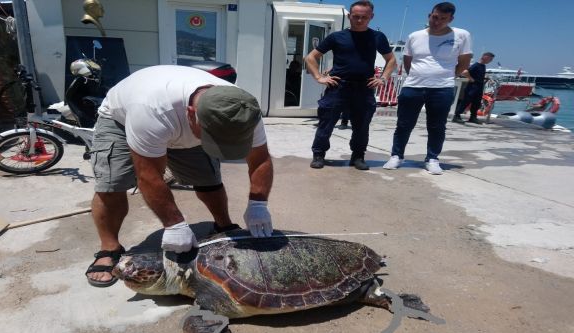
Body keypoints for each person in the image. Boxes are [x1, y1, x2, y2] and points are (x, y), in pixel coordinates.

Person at [85, 65, 274, 287]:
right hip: (121, 119)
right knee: (112, 184)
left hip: (183, 124)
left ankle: (224, 225)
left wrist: (258, 204)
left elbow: (260, 159)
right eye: (214, 140)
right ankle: (109, 247)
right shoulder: (151, 110)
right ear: (192, 115)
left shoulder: (243, 109)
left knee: (208, 178)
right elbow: (148, 174)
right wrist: (174, 224)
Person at [382, 2, 472, 175]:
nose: (437, 22)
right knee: (404, 124)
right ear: (429, 15)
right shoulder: (415, 36)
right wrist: (418, 75)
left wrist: (447, 76)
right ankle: (396, 155)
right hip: (413, 87)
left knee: (437, 126)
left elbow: (464, 61)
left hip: (442, 88)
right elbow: (408, 61)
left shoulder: (462, 35)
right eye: (434, 17)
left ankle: (432, 158)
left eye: (443, 19)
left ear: (451, 19)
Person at [305, 0, 396, 170]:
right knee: (326, 123)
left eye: (364, 17)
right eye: (356, 17)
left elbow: (391, 60)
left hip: (364, 88)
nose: (359, 20)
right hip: (338, 87)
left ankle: (358, 156)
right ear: (349, 16)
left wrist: (382, 78)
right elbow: (310, 58)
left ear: (371, 17)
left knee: (362, 126)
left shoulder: (377, 37)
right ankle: (318, 154)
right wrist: (319, 77)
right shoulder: (336, 37)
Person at [452, 52, 495, 124]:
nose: (490, 61)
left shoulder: (483, 66)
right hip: (472, 87)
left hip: (479, 87)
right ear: (485, 57)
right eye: (490, 59)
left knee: (476, 103)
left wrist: (484, 78)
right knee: (466, 101)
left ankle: (473, 117)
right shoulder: (476, 65)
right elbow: (465, 72)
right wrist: (471, 79)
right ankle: (456, 116)